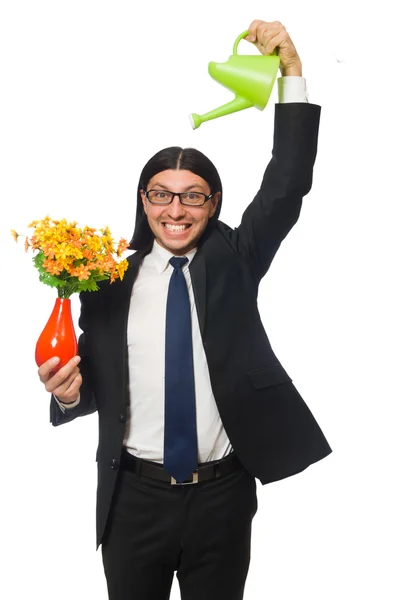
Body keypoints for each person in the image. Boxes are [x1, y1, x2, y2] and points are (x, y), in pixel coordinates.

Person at [38, 19, 332, 600]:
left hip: (221, 498)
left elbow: (288, 182)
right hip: (133, 501)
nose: (177, 209)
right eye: (161, 194)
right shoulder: (105, 279)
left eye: (193, 195)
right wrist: (69, 395)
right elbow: (100, 384)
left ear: (212, 202)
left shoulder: (235, 257)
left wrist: (292, 74)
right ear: (143, 200)